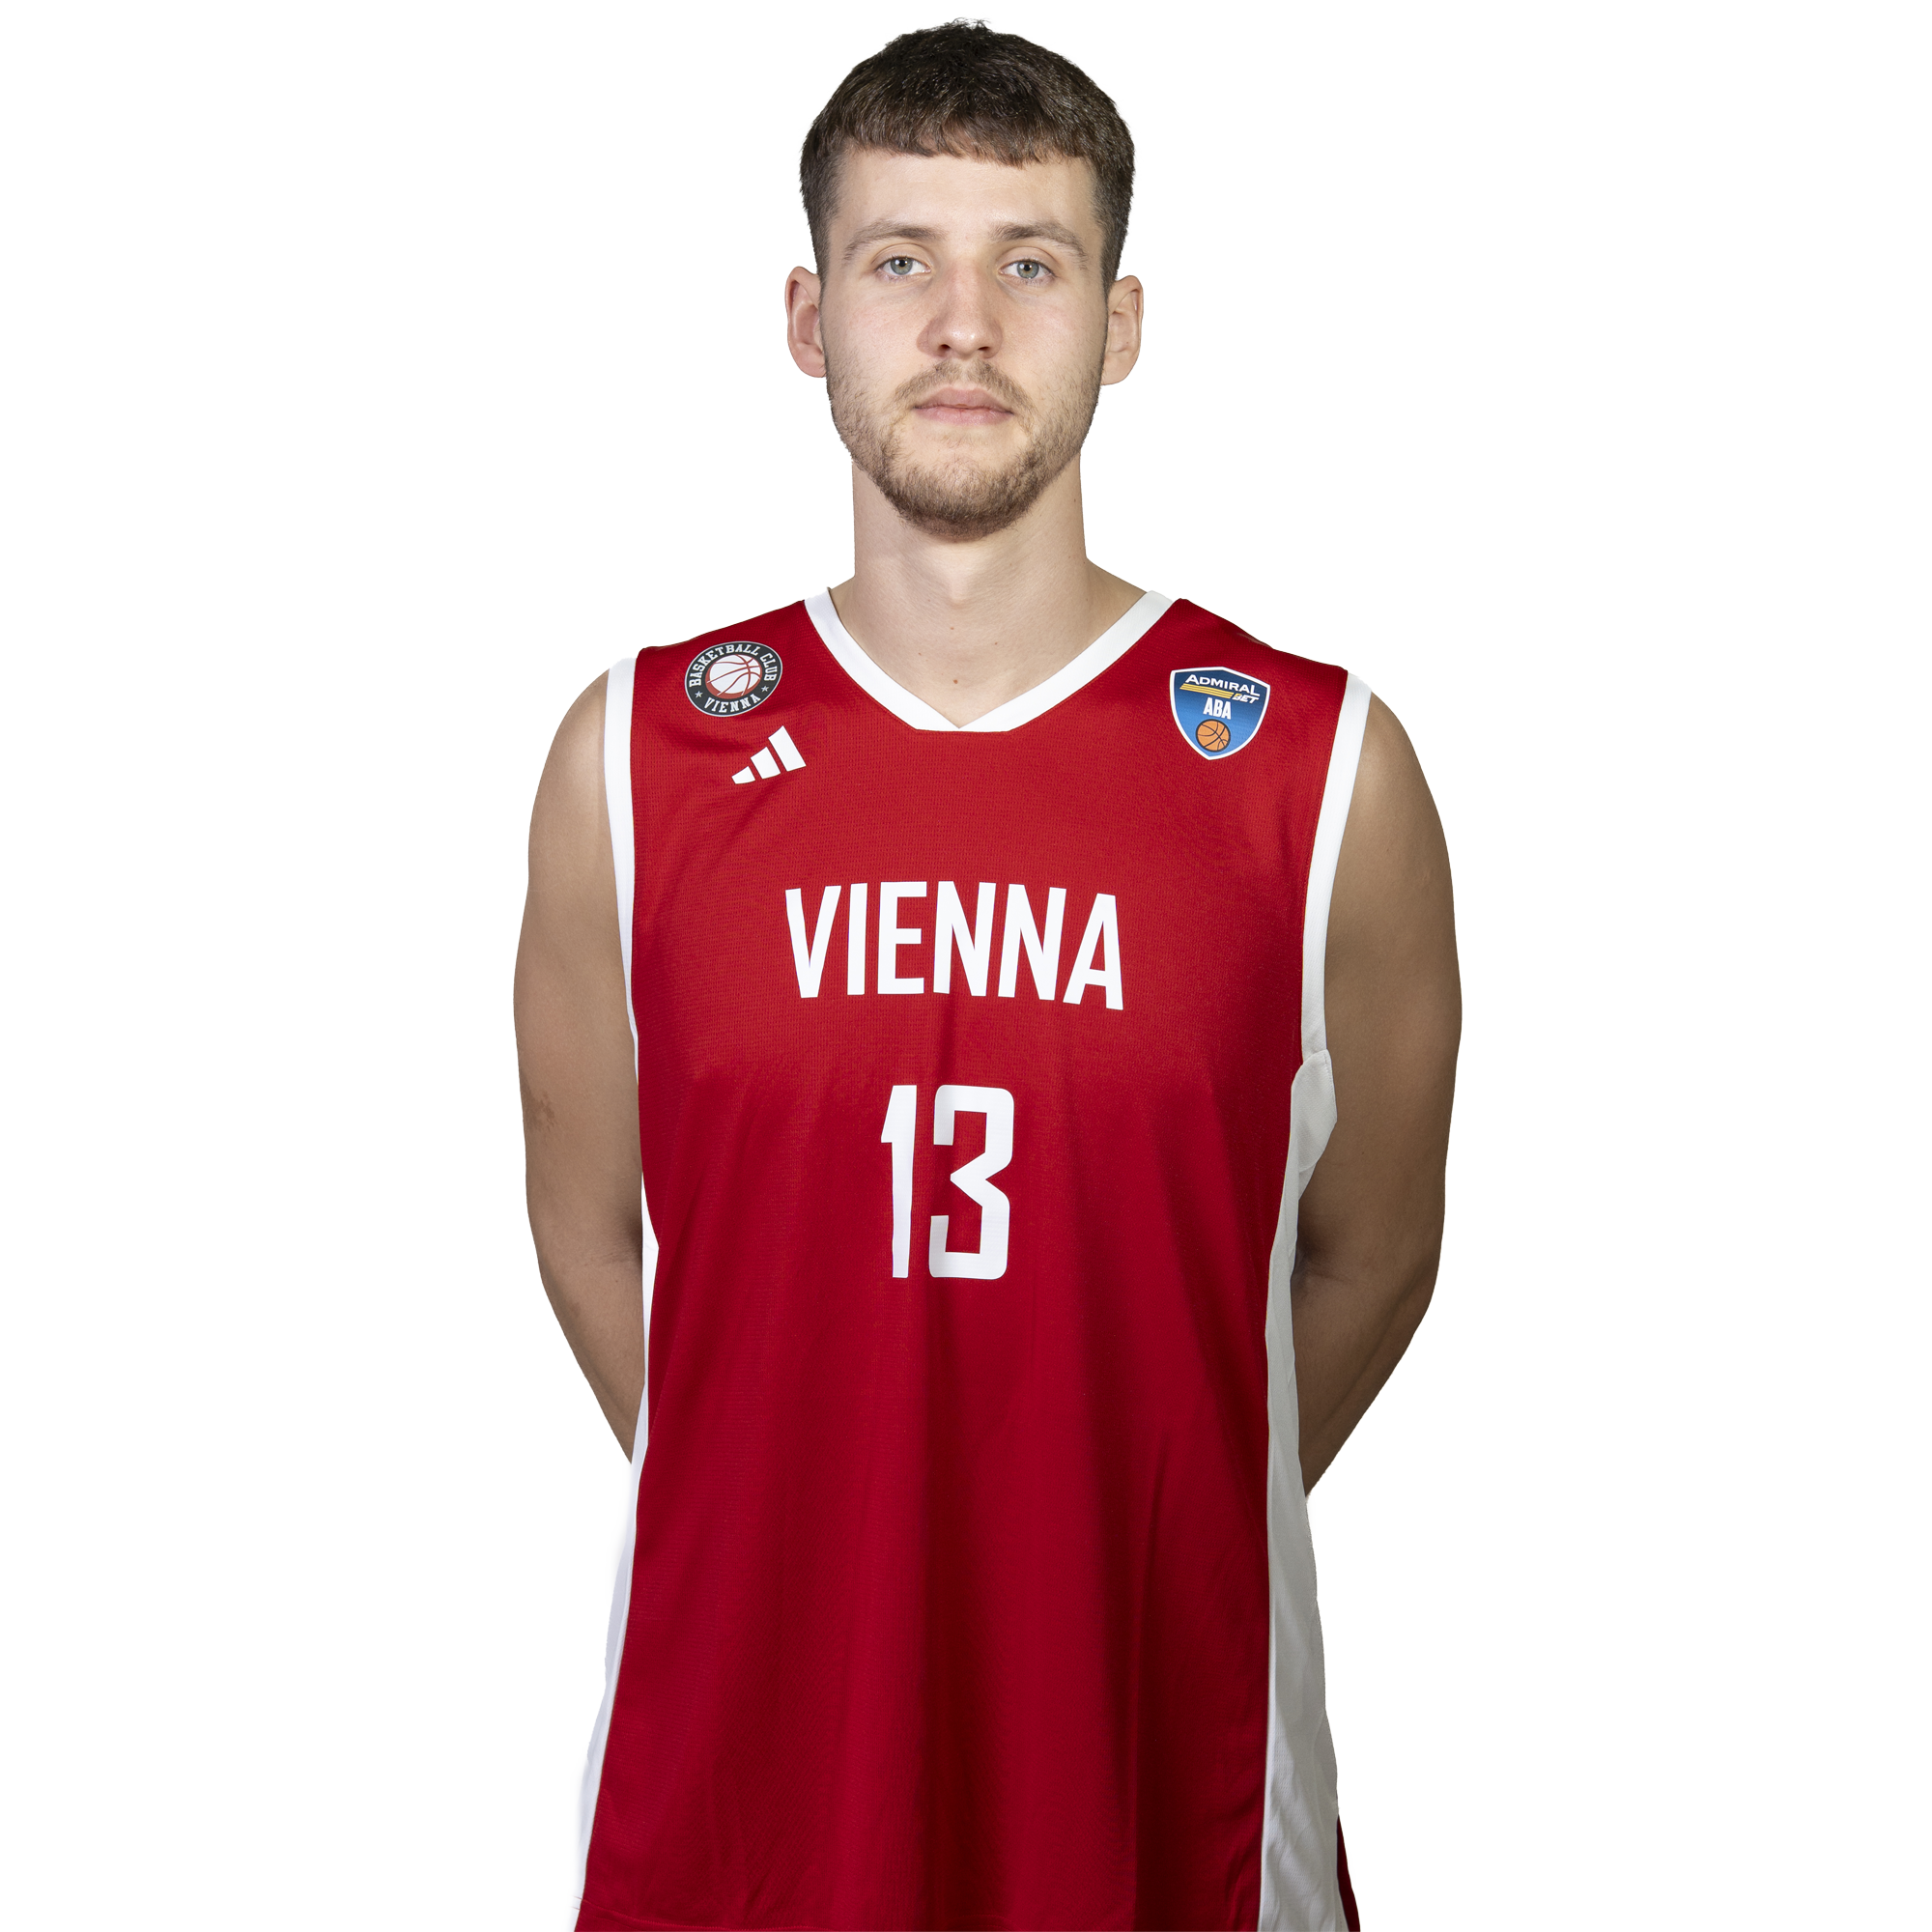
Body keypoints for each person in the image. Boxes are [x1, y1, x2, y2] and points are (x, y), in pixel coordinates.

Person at [515, 18, 1459, 1932]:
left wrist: (1147, 1490)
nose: (962, 325)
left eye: (1029, 262)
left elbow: (1370, 1257)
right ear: (809, 317)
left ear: (1118, 321)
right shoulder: (634, 759)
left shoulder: (1316, 769)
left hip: (1164, 1763)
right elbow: (591, 1232)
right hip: (743, 1780)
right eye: (900, 261)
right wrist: (796, 1484)